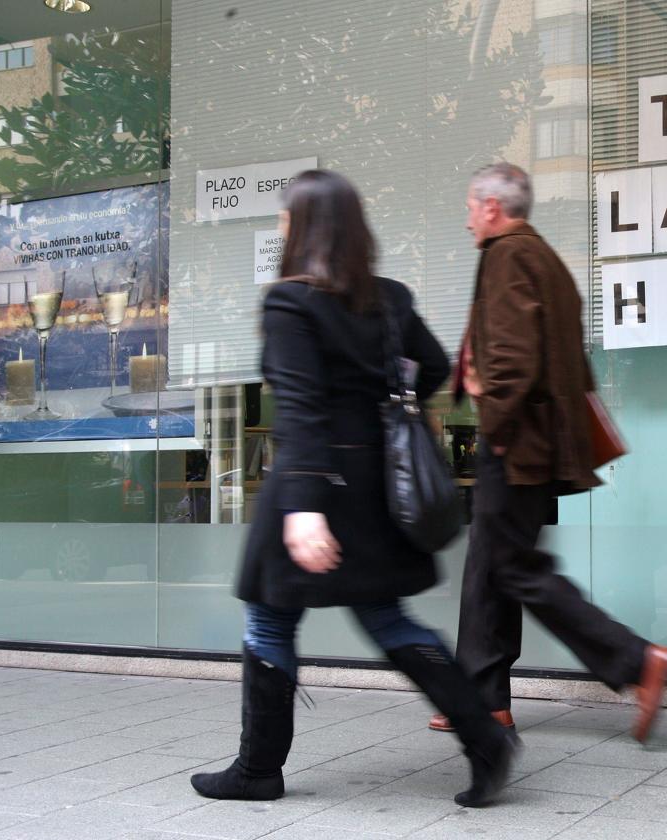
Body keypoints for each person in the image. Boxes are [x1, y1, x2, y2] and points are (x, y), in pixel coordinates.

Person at [190, 170, 517, 808]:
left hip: (312, 484)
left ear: (303, 227)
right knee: (385, 616)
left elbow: (301, 409)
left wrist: (306, 508)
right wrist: (387, 412)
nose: (282, 225)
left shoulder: (291, 301)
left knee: (268, 617)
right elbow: (436, 368)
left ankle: (257, 770)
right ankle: (486, 740)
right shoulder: (389, 298)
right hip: (377, 487)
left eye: (287, 216)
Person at [428, 162, 667, 741]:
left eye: (470, 206)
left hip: (517, 442)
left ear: (492, 206)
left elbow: (515, 360)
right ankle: (485, 699)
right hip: (536, 441)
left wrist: (487, 410)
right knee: (489, 569)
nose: (466, 218)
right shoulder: (543, 259)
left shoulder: (509, 256)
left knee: (515, 569)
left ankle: (638, 662)